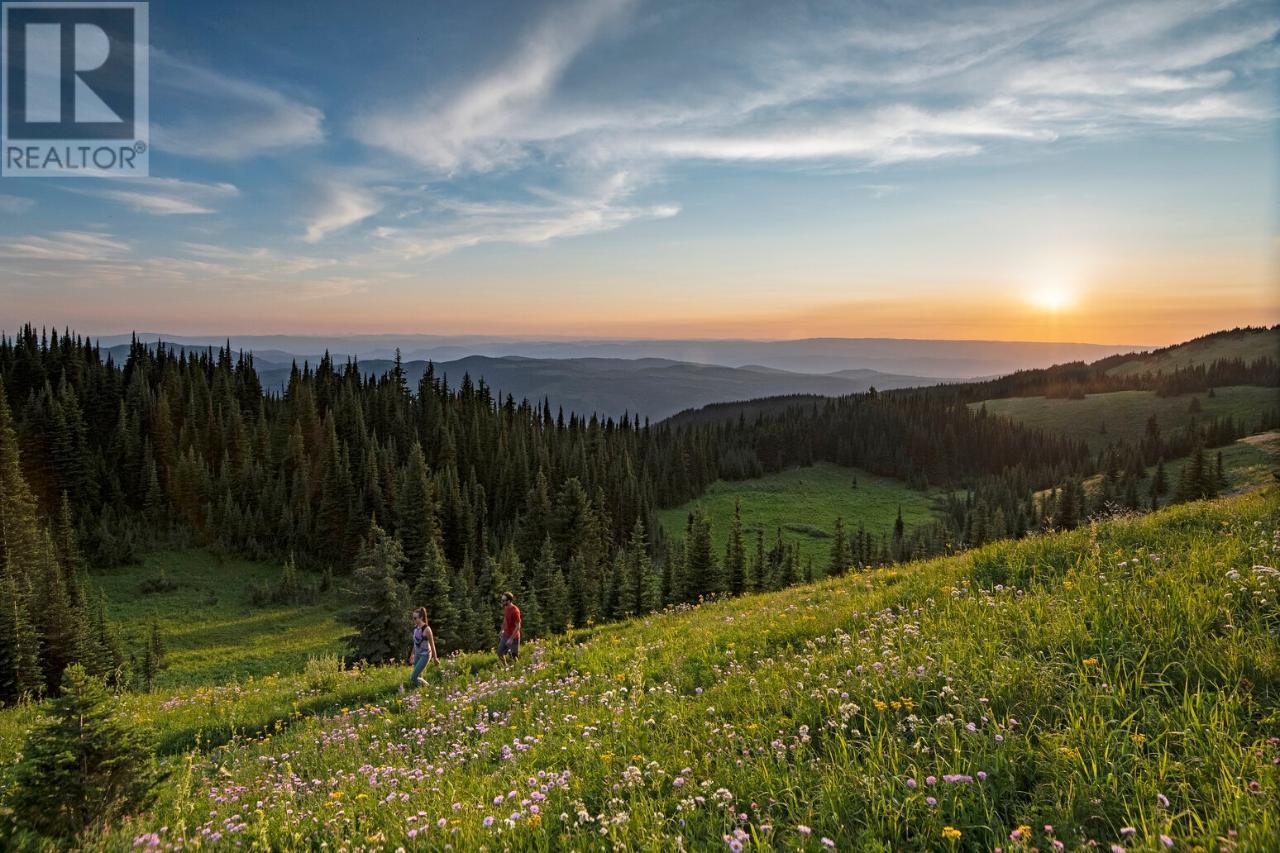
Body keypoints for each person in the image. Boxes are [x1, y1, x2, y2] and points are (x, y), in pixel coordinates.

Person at [404, 607, 437, 691]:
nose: (413, 620)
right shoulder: (415, 628)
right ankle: (421, 692)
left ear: (421, 618)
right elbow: (415, 643)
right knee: (418, 675)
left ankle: (430, 689)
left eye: (415, 618)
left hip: (425, 655)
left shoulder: (427, 629)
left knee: (413, 677)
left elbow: (432, 645)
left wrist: (435, 658)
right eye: (413, 618)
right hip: (417, 654)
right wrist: (412, 654)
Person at [497, 592, 521, 665]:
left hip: (514, 638)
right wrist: (502, 630)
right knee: (500, 652)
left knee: (514, 656)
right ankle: (505, 666)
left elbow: (518, 626)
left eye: (504, 600)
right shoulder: (506, 608)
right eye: (501, 600)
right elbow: (505, 619)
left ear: (509, 601)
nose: (502, 602)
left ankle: (517, 668)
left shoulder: (515, 611)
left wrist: (511, 639)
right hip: (505, 635)